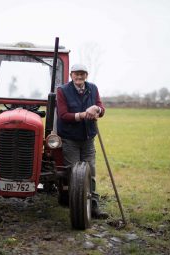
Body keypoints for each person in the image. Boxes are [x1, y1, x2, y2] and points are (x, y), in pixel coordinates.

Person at [56, 63, 109, 219]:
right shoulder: (62, 91)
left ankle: (93, 207)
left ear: (86, 75)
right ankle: (76, 206)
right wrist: (83, 114)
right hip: (70, 139)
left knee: (90, 171)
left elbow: (101, 108)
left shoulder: (92, 88)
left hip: (88, 138)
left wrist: (97, 110)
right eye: (76, 74)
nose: (79, 77)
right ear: (71, 75)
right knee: (74, 173)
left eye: (82, 74)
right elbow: (63, 115)